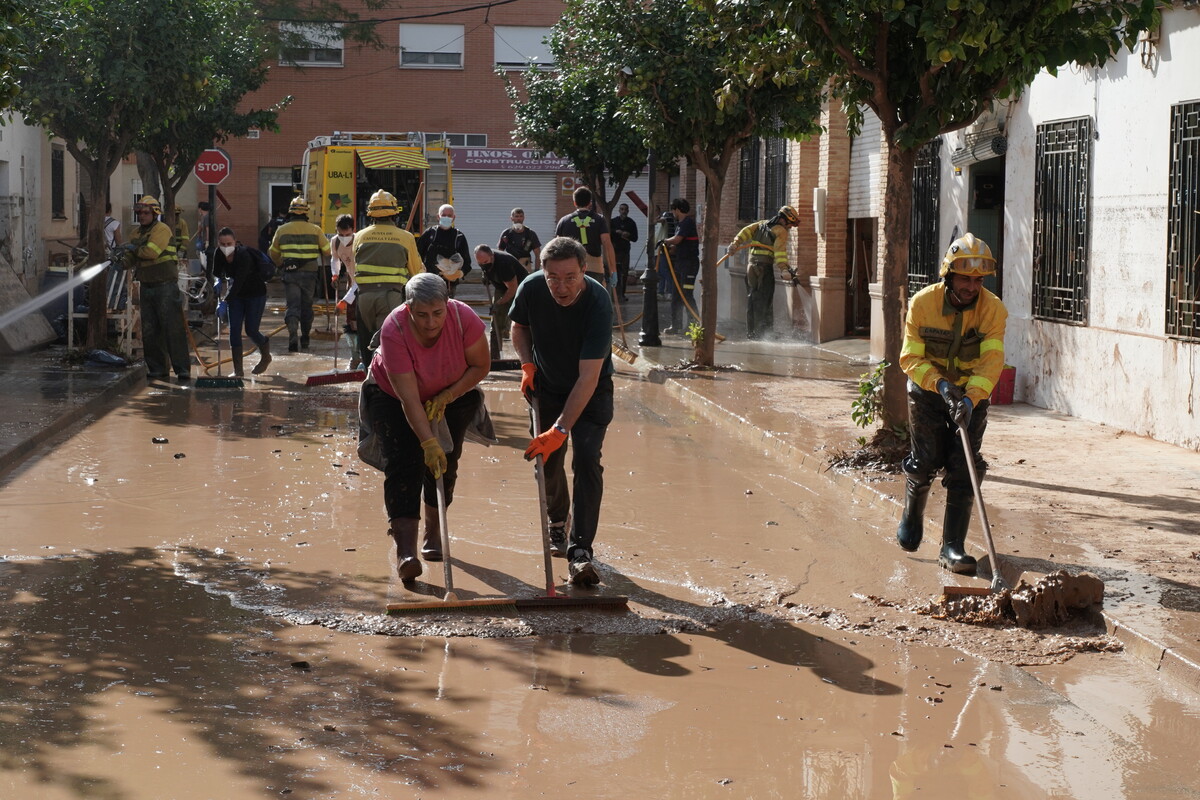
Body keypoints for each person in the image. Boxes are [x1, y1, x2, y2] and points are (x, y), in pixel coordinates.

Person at [363, 272, 489, 580]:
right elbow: (409, 399)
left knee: (444, 463)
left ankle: (433, 534)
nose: (430, 322)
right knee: (403, 462)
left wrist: (448, 395)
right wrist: (427, 442)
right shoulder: (394, 329)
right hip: (393, 395)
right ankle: (406, 551)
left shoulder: (465, 319)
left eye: (437, 313)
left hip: (456, 390)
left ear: (448, 304)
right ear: (408, 308)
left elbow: (481, 365)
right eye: (421, 314)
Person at [896, 233, 1008, 575]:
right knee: (926, 458)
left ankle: (952, 547)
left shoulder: (993, 310)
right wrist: (940, 385)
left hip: (971, 396)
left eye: (978, 280)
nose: (972, 287)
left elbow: (991, 362)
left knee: (965, 466)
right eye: (965, 279)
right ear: (948, 275)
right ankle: (912, 516)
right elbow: (910, 357)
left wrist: (971, 399)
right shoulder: (922, 303)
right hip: (928, 391)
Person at [509, 236, 614, 587]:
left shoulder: (597, 302)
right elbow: (519, 326)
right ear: (543, 272)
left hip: (591, 390)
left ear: (584, 271)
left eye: (570, 277)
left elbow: (588, 377)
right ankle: (558, 522)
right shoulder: (531, 288)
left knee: (585, 458)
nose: (561, 286)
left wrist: (561, 430)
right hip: (546, 386)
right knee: (547, 460)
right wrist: (526, 364)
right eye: (553, 277)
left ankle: (581, 550)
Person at [350, 190, 423, 369]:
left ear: (371, 214)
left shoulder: (359, 236)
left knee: (367, 342)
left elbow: (354, 267)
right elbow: (415, 272)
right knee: (389, 343)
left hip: (364, 298)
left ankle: (369, 378)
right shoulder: (405, 237)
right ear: (395, 214)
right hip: (391, 297)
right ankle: (388, 383)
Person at [122, 195, 190, 381]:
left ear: (154, 213)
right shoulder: (135, 234)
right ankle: (157, 368)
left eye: (145, 212)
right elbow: (132, 259)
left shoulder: (162, 229)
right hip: (147, 286)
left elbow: (150, 252)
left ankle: (182, 369)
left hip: (165, 286)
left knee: (173, 329)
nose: (141, 216)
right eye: (139, 213)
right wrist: (121, 260)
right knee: (150, 331)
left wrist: (131, 249)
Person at [269, 196, 330, 352]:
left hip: (290, 274)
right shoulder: (315, 230)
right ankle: (305, 338)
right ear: (306, 213)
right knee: (307, 307)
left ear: (291, 212)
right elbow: (327, 251)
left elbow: (273, 253)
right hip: (310, 274)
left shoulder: (282, 230)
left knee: (293, 306)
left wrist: (280, 264)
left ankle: (292, 336)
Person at [730, 205, 801, 340]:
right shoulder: (780, 231)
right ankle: (763, 335)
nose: (790, 227)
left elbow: (745, 231)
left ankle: (751, 333)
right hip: (764, 268)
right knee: (765, 301)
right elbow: (780, 251)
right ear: (785, 220)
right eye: (791, 224)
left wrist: (735, 244)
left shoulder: (761, 224)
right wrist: (784, 269)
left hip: (750, 267)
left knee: (752, 299)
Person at [212, 226, 271, 376]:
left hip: (255, 294)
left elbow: (239, 281)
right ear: (219, 243)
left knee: (251, 330)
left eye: (229, 244)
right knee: (234, 330)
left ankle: (265, 355)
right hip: (236, 297)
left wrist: (225, 301)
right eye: (223, 244)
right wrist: (218, 281)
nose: (226, 247)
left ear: (235, 242)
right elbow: (217, 272)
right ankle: (238, 371)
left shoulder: (244, 255)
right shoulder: (218, 253)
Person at [556, 186, 617, 287]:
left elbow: (557, 248)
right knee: (594, 299)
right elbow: (607, 244)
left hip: (570, 268)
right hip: (594, 267)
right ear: (590, 202)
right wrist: (613, 271)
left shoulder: (564, 221)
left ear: (574, 202)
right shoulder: (599, 220)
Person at [473, 244, 524, 358]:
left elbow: (512, 289)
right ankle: (495, 358)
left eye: (485, 262)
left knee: (523, 322)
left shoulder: (504, 264)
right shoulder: (483, 260)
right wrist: (485, 275)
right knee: (496, 322)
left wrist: (499, 303)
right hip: (501, 287)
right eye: (480, 263)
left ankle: (528, 357)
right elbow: (485, 267)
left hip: (521, 289)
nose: (483, 265)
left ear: (492, 256)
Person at [659, 198, 699, 335]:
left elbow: (677, 239)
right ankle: (675, 326)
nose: (672, 212)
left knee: (687, 294)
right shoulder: (679, 224)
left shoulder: (687, 223)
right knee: (676, 295)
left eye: (673, 210)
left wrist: (664, 241)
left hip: (689, 264)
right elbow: (678, 245)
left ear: (677, 209)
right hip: (680, 263)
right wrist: (668, 249)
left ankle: (693, 325)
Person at [416, 204, 471, 297]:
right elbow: (417, 255)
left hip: (449, 284)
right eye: (444, 215)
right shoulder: (430, 233)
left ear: (454, 218)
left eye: (449, 216)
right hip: (429, 281)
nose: (446, 217)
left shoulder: (459, 237)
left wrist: (460, 273)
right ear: (438, 216)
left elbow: (467, 262)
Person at [329, 213, 360, 367]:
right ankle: (355, 357)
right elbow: (335, 258)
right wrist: (334, 275)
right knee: (351, 322)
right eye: (341, 234)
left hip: (364, 282)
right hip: (351, 279)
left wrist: (344, 301)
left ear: (353, 230)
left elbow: (360, 281)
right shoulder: (335, 242)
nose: (344, 237)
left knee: (365, 322)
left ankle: (368, 357)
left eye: (347, 234)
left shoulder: (360, 242)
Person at [497, 207, 542, 272]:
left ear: (524, 218)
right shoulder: (506, 234)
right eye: (516, 216)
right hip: (510, 266)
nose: (518, 219)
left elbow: (538, 255)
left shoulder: (530, 234)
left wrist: (537, 271)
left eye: (521, 216)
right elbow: (499, 253)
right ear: (511, 218)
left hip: (525, 266)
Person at [609, 202, 639, 301]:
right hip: (614, 251)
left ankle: (622, 294)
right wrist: (616, 232)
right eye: (622, 209)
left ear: (628, 211)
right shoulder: (613, 222)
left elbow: (635, 238)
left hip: (625, 251)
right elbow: (608, 233)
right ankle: (613, 294)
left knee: (624, 274)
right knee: (614, 273)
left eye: (625, 209)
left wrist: (628, 235)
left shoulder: (631, 223)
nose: (623, 211)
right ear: (619, 210)